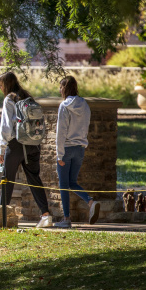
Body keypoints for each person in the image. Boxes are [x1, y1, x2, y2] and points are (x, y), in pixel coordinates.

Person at [0, 71, 54, 228]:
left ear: (6, 85)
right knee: (34, 179)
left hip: (15, 145)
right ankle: (45, 215)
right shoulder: (28, 97)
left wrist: (1, 149)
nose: (0, 88)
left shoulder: (10, 99)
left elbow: (6, 127)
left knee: (7, 179)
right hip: (33, 145)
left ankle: (2, 218)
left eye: (1, 85)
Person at [53, 76, 100, 228]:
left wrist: (59, 154)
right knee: (72, 182)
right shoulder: (85, 104)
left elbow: (61, 131)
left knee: (64, 185)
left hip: (66, 149)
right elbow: (86, 126)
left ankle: (66, 219)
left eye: (61, 87)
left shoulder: (64, 106)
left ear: (65, 88)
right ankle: (91, 201)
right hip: (80, 149)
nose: (60, 90)